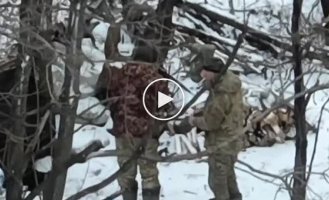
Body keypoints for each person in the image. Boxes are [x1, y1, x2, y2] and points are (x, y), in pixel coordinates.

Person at [168, 57, 244, 200]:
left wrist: (192, 120)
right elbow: (221, 113)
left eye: (204, 74)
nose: (202, 77)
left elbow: (211, 123)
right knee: (229, 177)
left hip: (221, 144)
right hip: (233, 139)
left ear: (213, 73)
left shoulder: (221, 94)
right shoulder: (229, 84)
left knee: (217, 182)